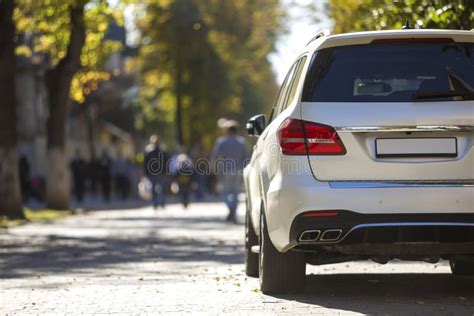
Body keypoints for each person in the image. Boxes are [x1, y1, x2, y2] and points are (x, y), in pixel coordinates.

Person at [211, 120, 247, 223]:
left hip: (226, 169)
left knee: (225, 192)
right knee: (236, 193)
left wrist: (213, 167)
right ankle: (233, 213)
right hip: (239, 169)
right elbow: (245, 157)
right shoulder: (241, 142)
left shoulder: (221, 141)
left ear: (227, 130)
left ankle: (230, 208)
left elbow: (215, 155)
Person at [144, 135, 169, 209]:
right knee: (159, 188)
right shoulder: (161, 152)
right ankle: (160, 203)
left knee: (156, 188)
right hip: (157, 173)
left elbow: (166, 162)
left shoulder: (150, 152)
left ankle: (158, 203)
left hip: (156, 173)